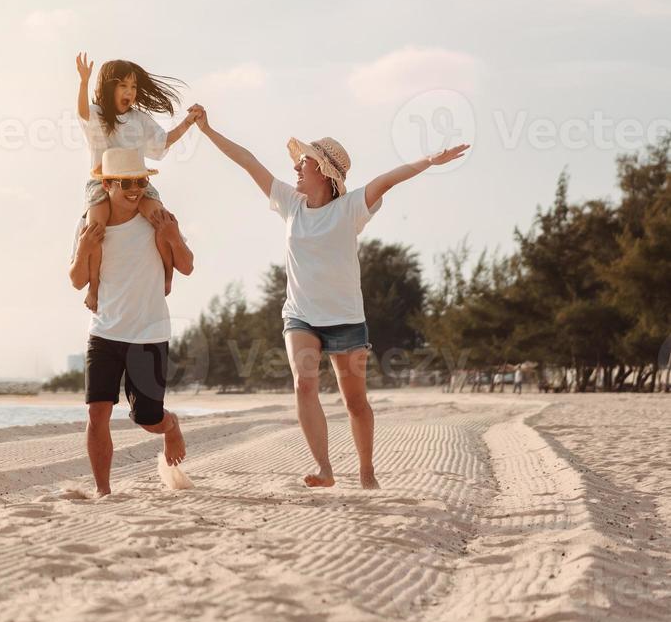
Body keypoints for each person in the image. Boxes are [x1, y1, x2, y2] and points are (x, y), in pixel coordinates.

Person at [193, 107, 467, 489]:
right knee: (303, 383)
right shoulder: (290, 204)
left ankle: (367, 471)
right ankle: (324, 468)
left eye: (303, 162)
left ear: (323, 170)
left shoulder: (351, 207)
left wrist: (430, 160)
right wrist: (208, 129)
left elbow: (387, 180)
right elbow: (247, 161)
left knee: (355, 401)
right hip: (300, 315)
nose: (296, 169)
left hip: (345, 319)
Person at [67, 147, 196, 497]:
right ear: (107, 184)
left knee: (147, 419)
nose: (134, 189)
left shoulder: (159, 219)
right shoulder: (89, 224)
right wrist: (81, 251)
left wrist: (172, 238)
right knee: (97, 414)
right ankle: (103, 491)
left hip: (149, 332)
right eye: (124, 183)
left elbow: (186, 265)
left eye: (139, 181)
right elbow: (77, 280)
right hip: (104, 331)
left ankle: (170, 427)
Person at [72, 55, 201, 310]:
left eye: (133, 87)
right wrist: (83, 82)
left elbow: (162, 142)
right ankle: (95, 288)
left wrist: (188, 122)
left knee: (160, 220)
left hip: (139, 180)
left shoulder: (139, 119)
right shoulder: (99, 114)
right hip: (103, 181)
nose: (129, 92)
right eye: (123, 86)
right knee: (95, 228)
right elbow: (83, 113)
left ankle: (167, 275)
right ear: (109, 88)